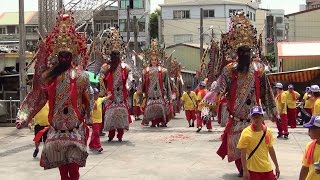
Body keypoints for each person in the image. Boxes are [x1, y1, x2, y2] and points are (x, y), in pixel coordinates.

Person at [16, 13, 91, 180]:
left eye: (67, 55)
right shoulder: (48, 76)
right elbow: (38, 96)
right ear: (56, 55)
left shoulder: (82, 76)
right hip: (56, 129)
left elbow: (88, 97)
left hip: (75, 128)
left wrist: (90, 117)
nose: (64, 58)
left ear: (73, 55)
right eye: (61, 55)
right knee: (62, 167)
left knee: (73, 167)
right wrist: (25, 116)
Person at [214, 12, 278, 178]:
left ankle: (249, 168)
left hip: (254, 117)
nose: (245, 55)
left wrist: (273, 110)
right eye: (242, 51)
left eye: (247, 51)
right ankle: (243, 168)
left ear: (252, 51)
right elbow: (219, 87)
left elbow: (267, 93)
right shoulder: (229, 70)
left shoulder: (259, 70)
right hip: (235, 117)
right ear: (237, 52)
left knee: (255, 144)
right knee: (238, 146)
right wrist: (211, 99)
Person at [99, 28, 132, 142]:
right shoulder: (106, 67)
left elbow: (129, 78)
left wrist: (128, 86)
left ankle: (120, 135)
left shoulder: (125, 67)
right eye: (114, 54)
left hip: (122, 96)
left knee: (121, 115)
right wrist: (104, 91)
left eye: (117, 54)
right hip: (110, 95)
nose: (115, 56)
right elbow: (100, 78)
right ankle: (111, 134)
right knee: (110, 115)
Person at [237, 106, 280, 180]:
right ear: (251, 118)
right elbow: (243, 153)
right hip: (252, 170)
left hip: (267, 168)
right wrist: (245, 170)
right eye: (254, 117)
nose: (256, 119)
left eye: (258, 116)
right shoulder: (246, 132)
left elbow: (271, 150)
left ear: (262, 117)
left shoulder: (267, 131)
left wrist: (277, 166)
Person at [141, 39, 171, 127]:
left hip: (160, 93)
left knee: (161, 107)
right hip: (150, 94)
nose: (154, 61)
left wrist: (169, 95)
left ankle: (161, 121)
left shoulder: (163, 71)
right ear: (149, 60)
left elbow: (167, 84)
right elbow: (143, 83)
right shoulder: (145, 71)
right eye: (152, 59)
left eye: (155, 59)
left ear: (158, 60)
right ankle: (153, 121)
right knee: (150, 107)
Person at [299, 115, 320, 180]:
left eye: (310, 129)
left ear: (318, 130)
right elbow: (305, 167)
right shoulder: (310, 146)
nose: (308, 133)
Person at [89, 88, 107, 152]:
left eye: (97, 94)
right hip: (94, 121)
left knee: (95, 133)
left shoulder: (99, 99)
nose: (96, 95)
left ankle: (91, 145)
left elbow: (105, 98)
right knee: (96, 134)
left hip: (100, 120)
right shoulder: (90, 102)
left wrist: (110, 95)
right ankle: (98, 146)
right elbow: (89, 111)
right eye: (95, 94)